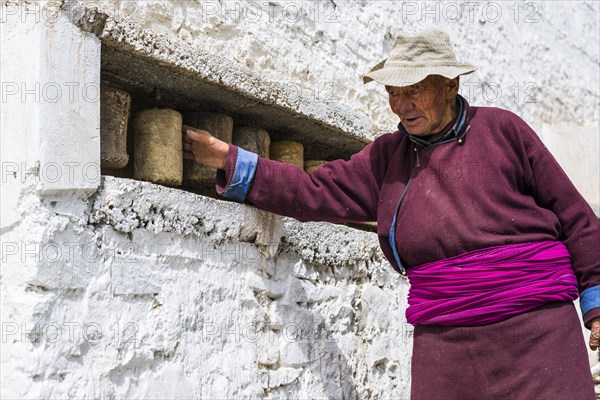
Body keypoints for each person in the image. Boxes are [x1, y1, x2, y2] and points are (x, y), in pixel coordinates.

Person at [182, 28, 600, 399]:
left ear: (450, 85)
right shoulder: (387, 157)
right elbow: (314, 191)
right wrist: (230, 161)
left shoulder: (502, 130)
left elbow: (576, 217)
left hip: (536, 330)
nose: (401, 105)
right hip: (445, 339)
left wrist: (597, 303)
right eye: (393, 93)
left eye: (413, 90)